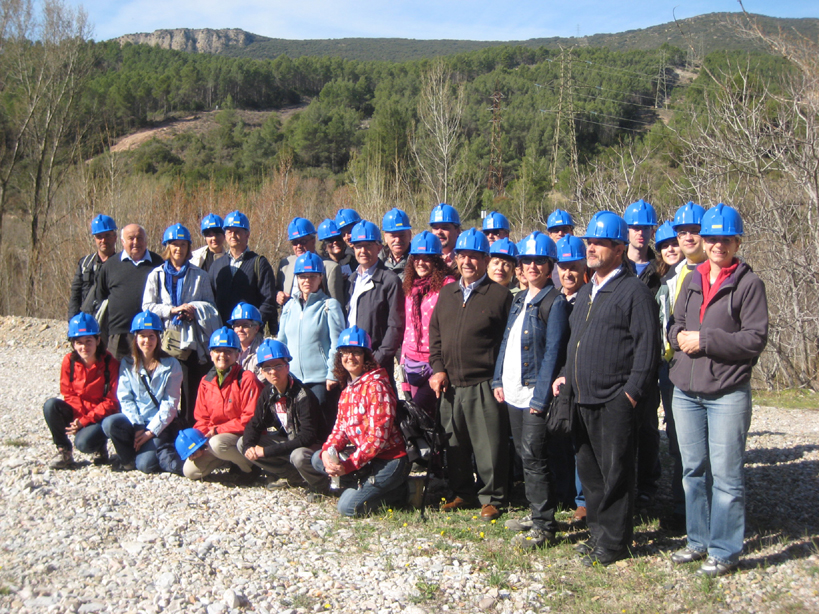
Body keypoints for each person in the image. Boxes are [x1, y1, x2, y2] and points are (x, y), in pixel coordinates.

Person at [552, 212, 659, 567]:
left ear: (619, 249)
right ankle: (598, 534)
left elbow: (647, 350)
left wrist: (630, 394)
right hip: (582, 399)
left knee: (616, 475)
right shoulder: (586, 291)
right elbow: (576, 343)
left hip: (614, 400)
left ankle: (615, 543)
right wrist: (566, 375)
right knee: (592, 475)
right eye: (589, 242)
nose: (591, 248)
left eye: (600, 243)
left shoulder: (634, 292)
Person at [668, 204, 768, 577]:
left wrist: (705, 340)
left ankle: (725, 550)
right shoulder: (692, 279)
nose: (717, 245)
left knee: (726, 475)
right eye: (711, 238)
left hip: (727, 392)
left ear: (737, 242)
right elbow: (674, 323)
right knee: (692, 470)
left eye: (726, 239)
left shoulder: (748, 284)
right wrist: (678, 337)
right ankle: (698, 541)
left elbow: (755, 339)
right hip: (686, 391)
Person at [492, 231, 570, 549]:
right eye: (527, 261)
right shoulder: (519, 299)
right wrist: (498, 379)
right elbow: (507, 341)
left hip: (533, 393)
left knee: (535, 456)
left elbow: (553, 352)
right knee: (525, 455)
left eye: (539, 261)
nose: (532, 266)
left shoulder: (555, 302)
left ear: (550, 266)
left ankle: (544, 526)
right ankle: (536, 512)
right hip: (513, 390)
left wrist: (541, 396)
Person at [429, 228, 513, 521]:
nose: (467, 262)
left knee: (490, 445)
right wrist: (438, 369)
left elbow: (508, 343)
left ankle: (492, 497)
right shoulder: (447, 293)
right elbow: (435, 335)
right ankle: (462, 492)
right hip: (450, 384)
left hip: (484, 383)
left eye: (474, 256)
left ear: (486, 260)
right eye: (462, 255)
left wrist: (499, 379)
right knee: (454, 443)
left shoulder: (500, 296)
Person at [311, 326, 410, 517]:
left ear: (366, 356)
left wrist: (348, 465)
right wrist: (327, 452)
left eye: (356, 352)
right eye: (345, 352)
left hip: (390, 460)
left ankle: (401, 491)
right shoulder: (348, 389)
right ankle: (366, 486)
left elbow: (377, 439)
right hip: (367, 459)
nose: (350, 357)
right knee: (318, 459)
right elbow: (339, 430)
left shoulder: (377, 387)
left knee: (347, 508)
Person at [142, 223, 218, 427]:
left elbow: (211, 307)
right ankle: (166, 428)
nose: (179, 249)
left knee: (190, 388)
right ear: (167, 246)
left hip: (191, 342)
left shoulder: (200, 275)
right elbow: (147, 307)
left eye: (183, 244)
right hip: (165, 340)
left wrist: (194, 310)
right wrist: (172, 310)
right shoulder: (156, 275)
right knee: (167, 387)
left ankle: (190, 427)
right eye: (174, 244)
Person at [102, 311, 183, 474]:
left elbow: (170, 403)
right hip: (135, 421)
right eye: (142, 336)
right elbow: (125, 398)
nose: (147, 341)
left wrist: (150, 432)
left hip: (159, 425)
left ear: (158, 337)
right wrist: (138, 426)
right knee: (109, 423)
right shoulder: (127, 363)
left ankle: (148, 451)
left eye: (151, 336)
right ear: (136, 337)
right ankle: (128, 459)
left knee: (146, 465)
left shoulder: (171, 364)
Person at [240, 340, 327, 491]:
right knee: (242, 443)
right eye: (267, 368)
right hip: (290, 441)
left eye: (278, 366)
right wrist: (249, 447)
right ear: (262, 372)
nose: (273, 372)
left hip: (312, 447)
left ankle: (320, 484)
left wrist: (265, 451)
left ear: (287, 367)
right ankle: (293, 476)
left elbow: (308, 436)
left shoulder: (303, 395)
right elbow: (255, 423)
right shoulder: (268, 393)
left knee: (298, 456)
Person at [183, 327, 262, 480]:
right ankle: (229, 460)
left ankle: (250, 468)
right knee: (190, 471)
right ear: (211, 354)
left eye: (228, 351)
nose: (222, 355)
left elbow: (250, 420)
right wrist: (199, 444)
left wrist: (218, 430)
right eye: (218, 351)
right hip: (216, 437)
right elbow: (202, 418)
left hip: (242, 438)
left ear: (237, 354)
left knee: (217, 444)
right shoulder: (206, 381)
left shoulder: (247, 379)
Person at [624, 199, 662, 507]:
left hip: (650, 355)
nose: (640, 233)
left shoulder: (661, 268)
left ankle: (648, 483)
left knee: (648, 424)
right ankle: (623, 483)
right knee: (620, 424)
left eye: (646, 228)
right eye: (635, 227)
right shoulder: (615, 264)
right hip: (619, 353)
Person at [43, 313, 119, 469]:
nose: (84, 347)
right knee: (51, 406)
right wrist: (78, 419)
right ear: (73, 344)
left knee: (83, 444)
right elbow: (68, 393)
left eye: (88, 341)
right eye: (79, 342)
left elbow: (111, 402)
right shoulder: (69, 361)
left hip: (99, 416)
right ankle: (64, 451)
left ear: (98, 340)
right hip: (77, 412)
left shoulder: (110, 364)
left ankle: (100, 447)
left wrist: (84, 421)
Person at [277, 252, 346, 419]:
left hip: (320, 381)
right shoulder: (289, 307)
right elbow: (281, 342)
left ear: (320, 278)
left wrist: (333, 374)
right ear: (297, 278)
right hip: (292, 379)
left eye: (312, 276)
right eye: (302, 276)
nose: (307, 280)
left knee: (321, 426)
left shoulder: (329, 306)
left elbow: (337, 344)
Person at [554, 234, 590, 524]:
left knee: (581, 440)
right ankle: (562, 492)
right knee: (557, 437)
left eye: (574, 267)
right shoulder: (553, 299)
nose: (568, 273)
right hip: (552, 378)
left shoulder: (591, 299)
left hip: (578, 376)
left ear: (584, 268)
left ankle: (583, 500)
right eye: (563, 267)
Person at [400, 231, 456, 415]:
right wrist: (403, 364)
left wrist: (443, 367)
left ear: (437, 260)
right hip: (411, 362)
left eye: (427, 258)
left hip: (434, 362)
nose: (421, 263)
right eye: (417, 258)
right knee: (421, 421)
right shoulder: (411, 285)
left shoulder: (447, 285)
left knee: (418, 413)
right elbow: (408, 327)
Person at [654, 220, 686, 525]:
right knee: (676, 438)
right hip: (667, 365)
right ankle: (681, 503)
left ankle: (690, 506)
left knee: (691, 440)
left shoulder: (694, 275)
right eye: (664, 246)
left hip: (689, 362)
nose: (671, 249)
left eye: (674, 244)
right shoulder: (663, 282)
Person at [94, 224, 164, 360]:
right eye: (131, 238)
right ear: (122, 241)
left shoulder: (158, 263)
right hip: (119, 333)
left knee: (150, 370)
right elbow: (101, 296)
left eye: (139, 238)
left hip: (150, 333)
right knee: (116, 372)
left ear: (146, 240)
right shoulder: (110, 265)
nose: (136, 242)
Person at [346, 220, 405, 373]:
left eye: (368, 245)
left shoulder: (389, 281)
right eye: (358, 246)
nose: (363, 251)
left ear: (379, 247)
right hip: (352, 360)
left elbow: (395, 327)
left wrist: (377, 359)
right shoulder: (351, 280)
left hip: (377, 363)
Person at [209, 210, 278, 336]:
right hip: (223, 335)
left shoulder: (259, 263)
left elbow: (268, 301)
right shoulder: (217, 265)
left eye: (237, 231)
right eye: (229, 231)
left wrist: (253, 325)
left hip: (250, 336)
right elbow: (210, 300)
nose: (233, 235)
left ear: (247, 235)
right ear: (225, 235)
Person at [277, 217, 344, 305]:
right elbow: (275, 291)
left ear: (313, 241)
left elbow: (336, 305)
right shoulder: (286, 264)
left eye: (303, 241)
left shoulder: (330, 268)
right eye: (295, 242)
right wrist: (278, 295)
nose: (299, 246)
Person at [69, 214, 118, 320]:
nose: (103, 240)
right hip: (87, 319)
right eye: (99, 236)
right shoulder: (85, 263)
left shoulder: (122, 265)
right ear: (95, 239)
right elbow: (75, 294)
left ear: (115, 237)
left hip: (111, 321)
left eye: (107, 235)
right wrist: (73, 320)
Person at [319, 218, 355, 305]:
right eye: (330, 240)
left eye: (338, 238)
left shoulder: (354, 260)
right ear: (324, 246)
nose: (335, 242)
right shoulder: (321, 265)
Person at [228, 302, 266, 380]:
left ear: (256, 329)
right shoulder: (229, 350)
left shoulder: (265, 350)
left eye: (245, 325)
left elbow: (263, 382)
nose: (240, 329)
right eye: (237, 325)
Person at [379, 208, 412, 280]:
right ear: (385, 237)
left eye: (402, 235)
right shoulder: (377, 262)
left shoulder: (418, 262)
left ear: (410, 235)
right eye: (393, 236)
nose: (398, 240)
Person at [546, 209, 575, 287]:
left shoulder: (582, 257)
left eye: (565, 229)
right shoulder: (544, 260)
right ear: (550, 234)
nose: (560, 233)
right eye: (556, 230)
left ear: (572, 232)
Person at [429, 203, 461, 272]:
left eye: (445, 228)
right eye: (436, 228)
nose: (439, 232)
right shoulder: (426, 259)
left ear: (458, 231)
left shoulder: (465, 260)